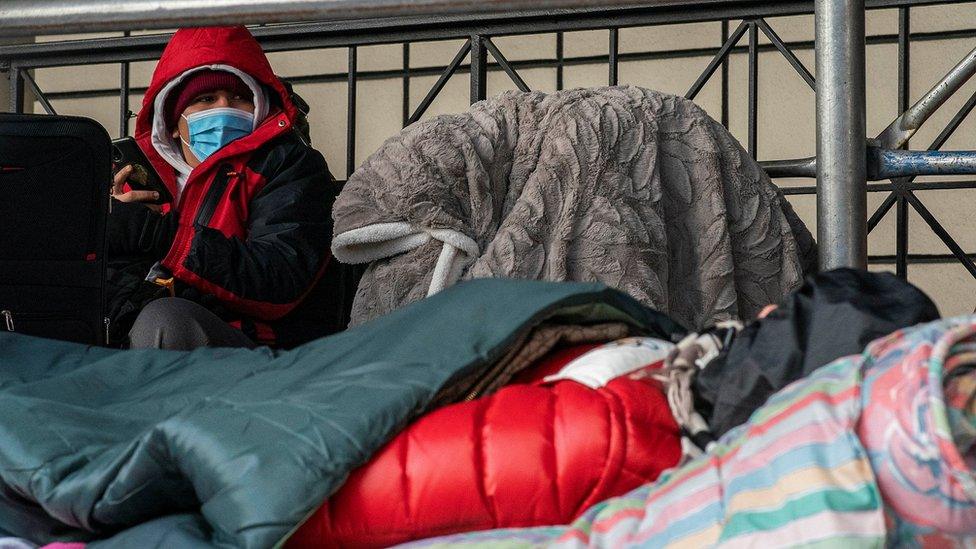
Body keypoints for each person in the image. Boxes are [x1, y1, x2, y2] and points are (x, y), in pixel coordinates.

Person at [106, 26, 346, 350]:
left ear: (259, 106)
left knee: (165, 322)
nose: (224, 107)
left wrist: (166, 238)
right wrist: (104, 227)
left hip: (261, 348)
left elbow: (280, 278)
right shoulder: (139, 178)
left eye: (240, 97)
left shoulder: (290, 167)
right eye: (206, 99)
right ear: (173, 121)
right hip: (140, 340)